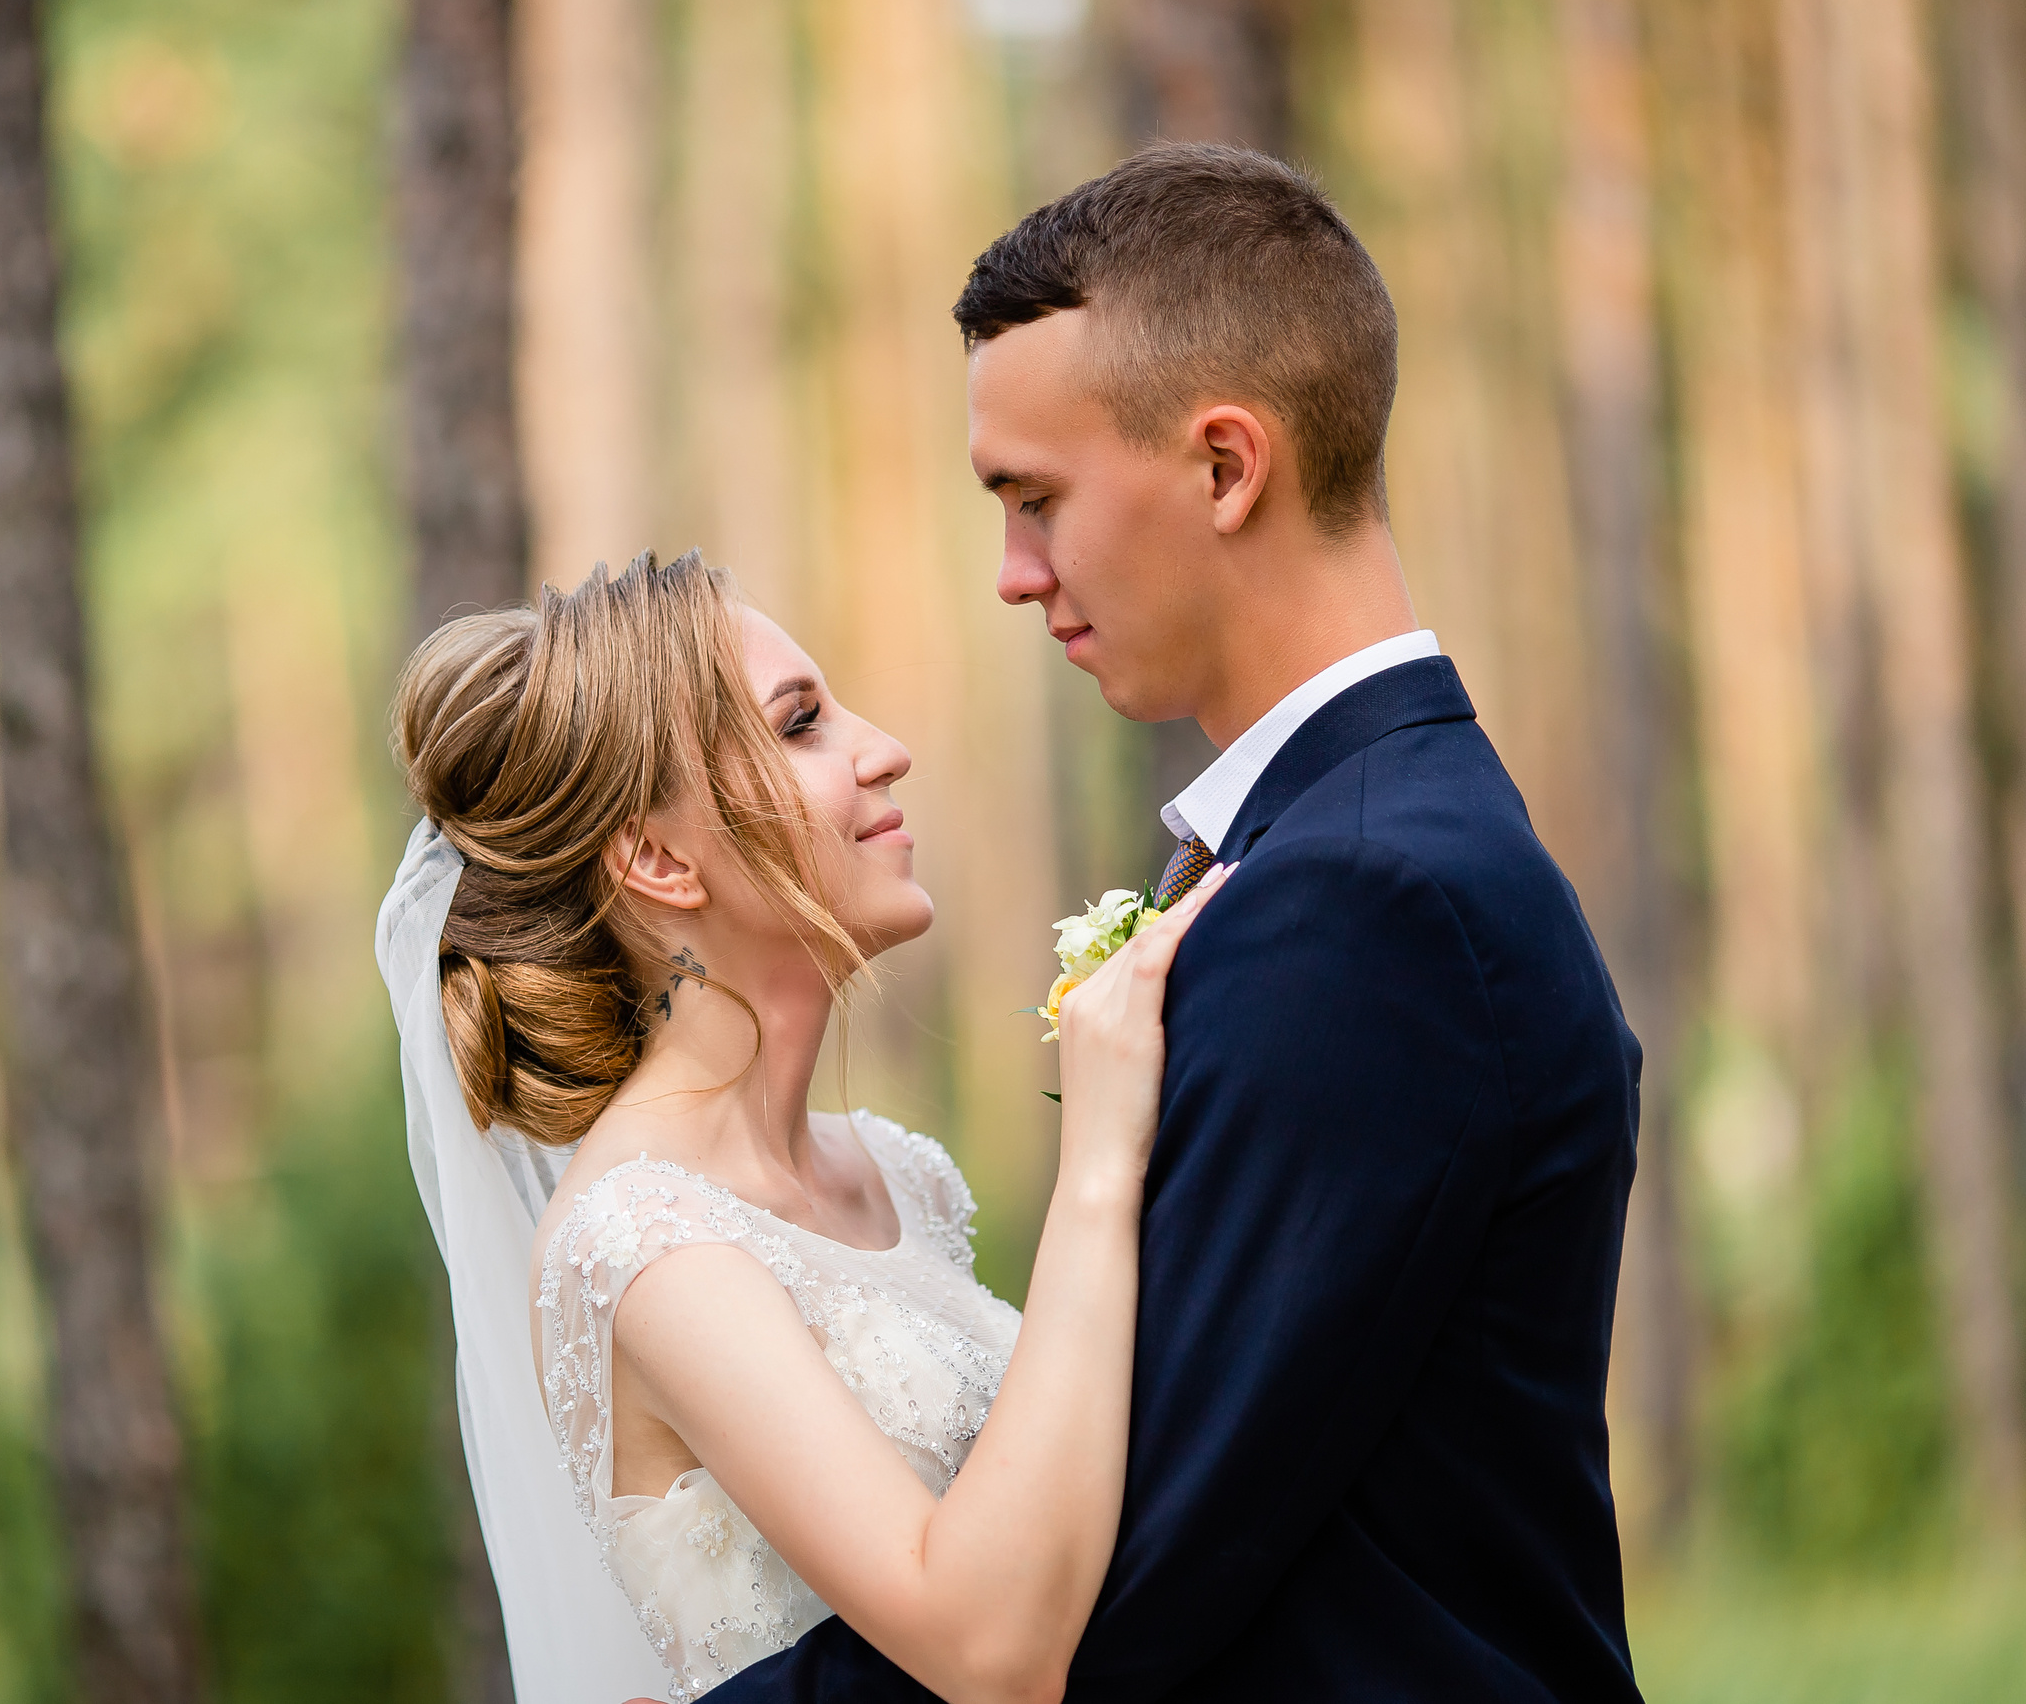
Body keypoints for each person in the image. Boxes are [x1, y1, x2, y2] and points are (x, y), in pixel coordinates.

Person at [708, 142, 1644, 1704]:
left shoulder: (1367, 902)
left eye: (1036, 500)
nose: (1014, 575)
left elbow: (1132, 1561)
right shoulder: (1360, 847)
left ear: (1224, 467)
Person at [380, 547, 1226, 1704]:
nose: (884, 749)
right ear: (658, 858)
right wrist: (1098, 1162)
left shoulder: (899, 1173)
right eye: (800, 725)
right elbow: (988, 1650)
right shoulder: (642, 1246)